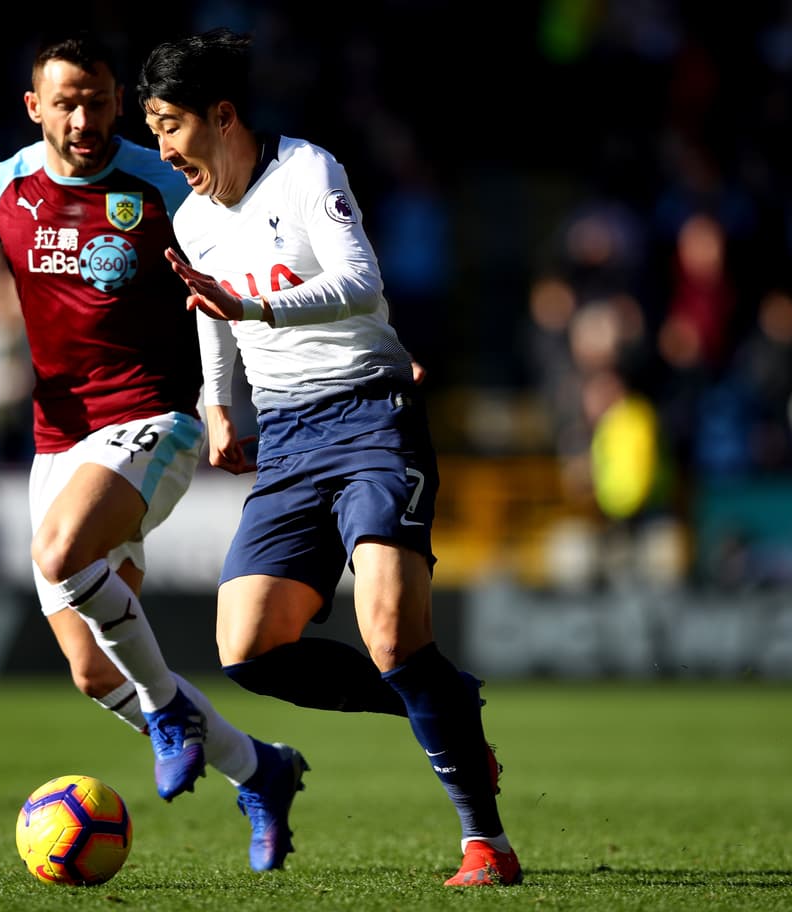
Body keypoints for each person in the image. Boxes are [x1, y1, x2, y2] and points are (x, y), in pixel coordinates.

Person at [0, 32, 307, 872]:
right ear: (34, 106)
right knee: (90, 669)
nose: (84, 117)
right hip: (57, 442)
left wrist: (242, 393)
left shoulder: (158, 180)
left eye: (99, 100)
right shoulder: (4, 187)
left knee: (64, 553)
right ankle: (261, 770)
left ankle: (172, 714)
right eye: (67, 102)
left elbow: (236, 277)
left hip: (151, 421)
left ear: (118, 101)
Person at [137, 27, 523, 887]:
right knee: (249, 649)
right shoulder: (193, 213)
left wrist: (254, 310)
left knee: (390, 633)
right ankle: (445, 708)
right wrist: (217, 401)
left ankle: (485, 845)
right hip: (287, 438)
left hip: (372, 417)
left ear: (223, 114)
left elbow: (362, 283)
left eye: (171, 125)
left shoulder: (308, 171)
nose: (164, 147)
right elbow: (210, 304)